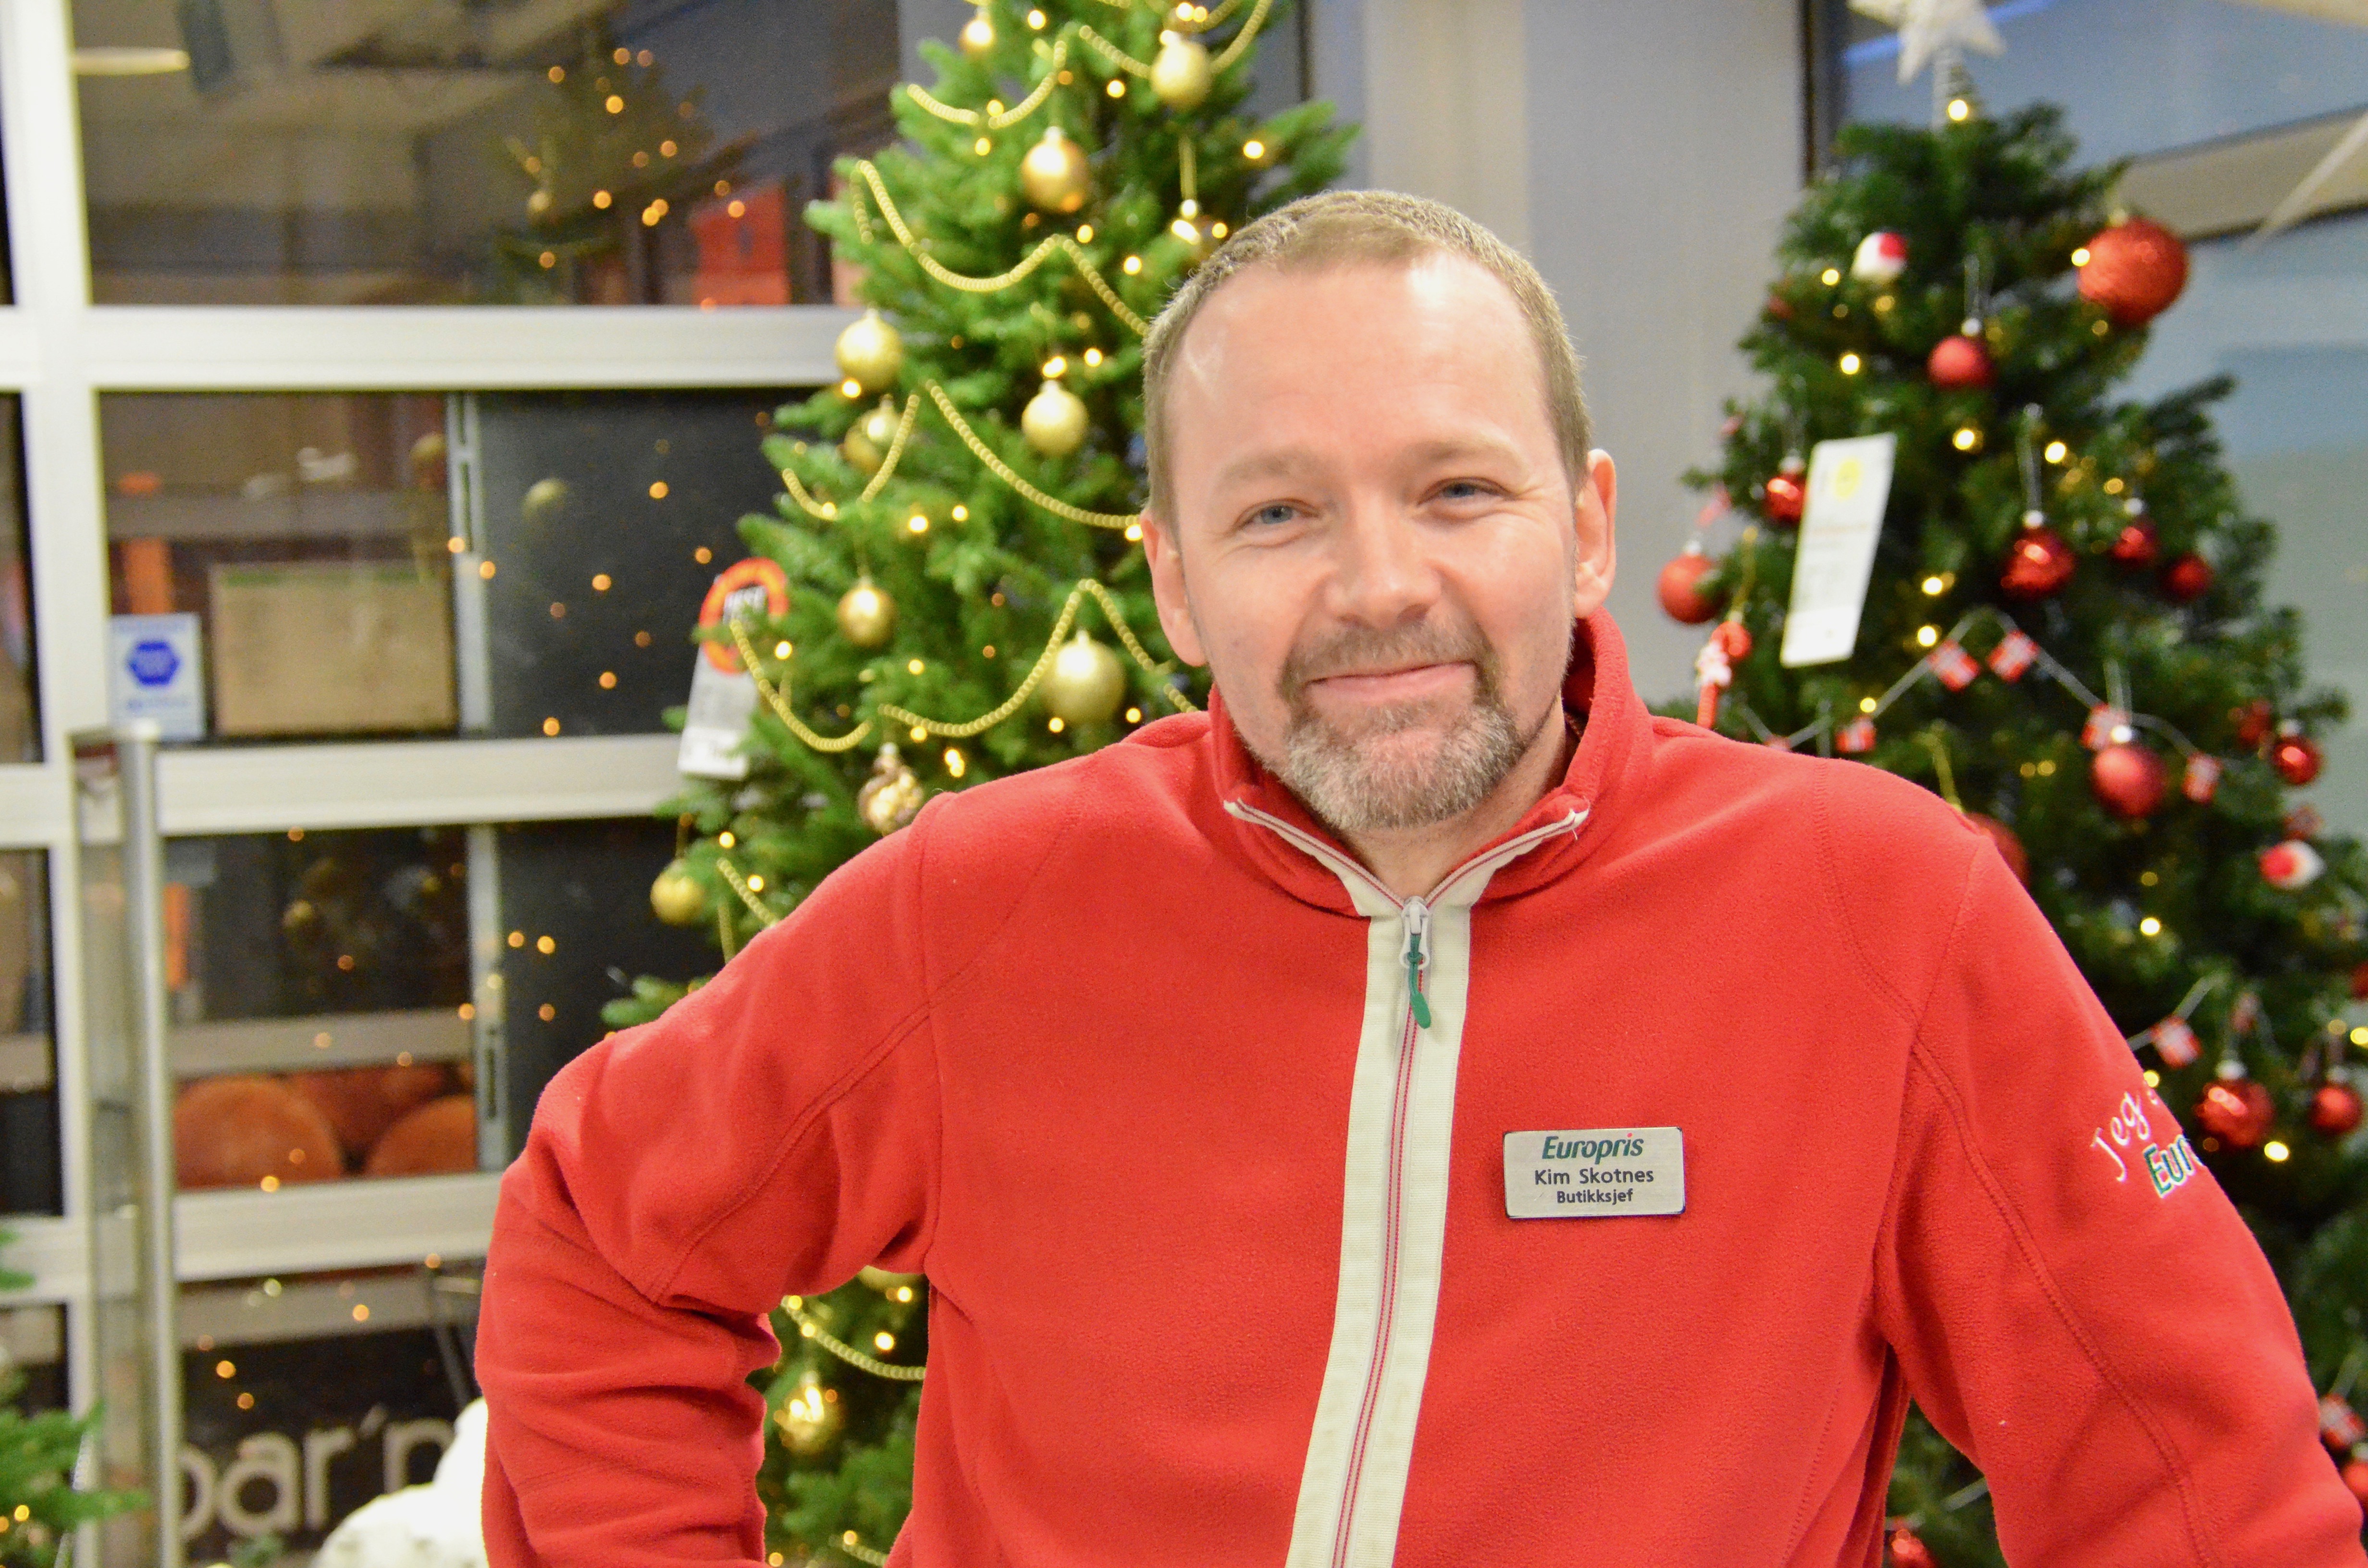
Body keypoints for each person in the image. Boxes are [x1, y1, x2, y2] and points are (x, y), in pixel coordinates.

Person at [476, 190, 2367, 1566]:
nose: (1378, 585)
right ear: (1170, 579)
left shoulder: (1877, 909)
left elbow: (2193, 1486)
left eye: (1457, 490)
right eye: (1277, 511)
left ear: (1589, 526)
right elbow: (605, 1236)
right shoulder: (988, 903)